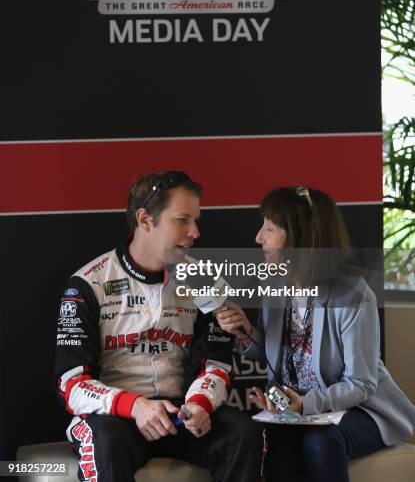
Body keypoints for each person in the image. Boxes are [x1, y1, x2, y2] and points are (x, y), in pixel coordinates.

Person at [55, 170, 263, 482]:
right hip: (118, 416)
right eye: (182, 220)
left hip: (183, 413)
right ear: (145, 220)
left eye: (196, 219)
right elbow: (71, 383)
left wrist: (200, 403)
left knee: (244, 432)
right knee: (105, 440)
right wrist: (134, 406)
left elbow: (216, 364)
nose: (195, 231)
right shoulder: (88, 283)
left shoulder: (206, 281)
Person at [215, 186, 415, 482]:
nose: (258, 237)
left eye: (269, 228)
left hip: (361, 409)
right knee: (278, 443)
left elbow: (361, 383)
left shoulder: (353, 294)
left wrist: (305, 405)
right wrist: (246, 332)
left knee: (320, 442)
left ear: (299, 238)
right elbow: (279, 353)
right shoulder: (275, 283)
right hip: (303, 410)